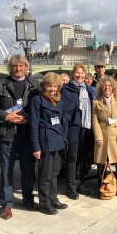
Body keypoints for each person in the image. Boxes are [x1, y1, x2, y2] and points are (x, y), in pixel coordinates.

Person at [0, 54, 39, 220]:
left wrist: (30, 117)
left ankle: (28, 199)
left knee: (28, 170)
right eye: (15, 66)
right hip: (7, 134)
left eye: (21, 65)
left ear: (26, 67)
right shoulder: (0, 84)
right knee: (6, 170)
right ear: (11, 67)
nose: (18, 68)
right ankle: (7, 204)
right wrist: (6, 116)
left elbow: (40, 105)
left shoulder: (34, 84)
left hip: (27, 135)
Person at [29, 72, 68, 215]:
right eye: (49, 86)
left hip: (57, 139)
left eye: (54, 86)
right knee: (45, 174)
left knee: (55, 172)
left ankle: (53, 199)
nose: (52, 89)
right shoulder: (37, 101)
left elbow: (62, 121)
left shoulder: (59, 100)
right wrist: (35, 146)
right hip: (44, 140)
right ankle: (44, 203)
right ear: (43, 86)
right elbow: (33, 125)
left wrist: (64, 138)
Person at [61, 63, 93, 200]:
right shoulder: (66, 89)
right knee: (72, 158)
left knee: (82, 158)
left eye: (82, 73)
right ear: (72, 73)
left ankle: (80, 183)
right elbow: (64, 112)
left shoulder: (86, 88)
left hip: (85, 128)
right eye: (77, 73)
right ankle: (71, 186)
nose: (80, 75)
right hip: (73, 128)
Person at [92, 76, 117, 195]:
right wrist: (98, 137)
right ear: (101, 88)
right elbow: (95, 121)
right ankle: (101, 182)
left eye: (109, 86)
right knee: (101, 161)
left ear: (113, 88)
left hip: (116, 134)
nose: (107, 88)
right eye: (105, 86)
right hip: (102, 134)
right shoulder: (96, 102)